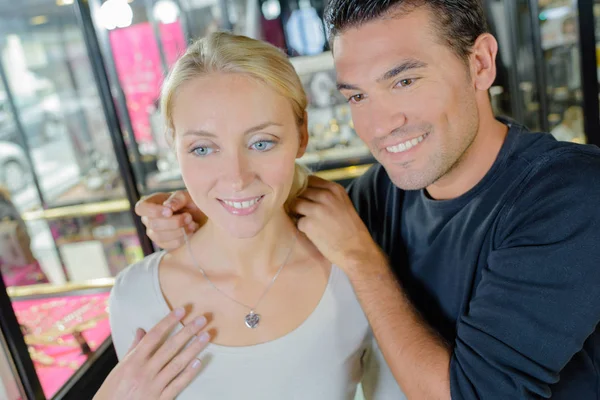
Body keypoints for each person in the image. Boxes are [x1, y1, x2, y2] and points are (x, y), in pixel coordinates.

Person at [135, 1, 600, 399]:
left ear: (479, 63)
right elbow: (276, 199)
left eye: (404, 82)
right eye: (357, 96)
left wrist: (362, 259)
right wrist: (200, 207)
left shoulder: (571, 195)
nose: (380, 124)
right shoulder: (379, 192)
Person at [97, 32, 404, 400]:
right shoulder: (136, 297)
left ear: (301, 134)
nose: (237, 177)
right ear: (173, 145)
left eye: (261, 143)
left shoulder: (356, 273)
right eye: (203, 148)